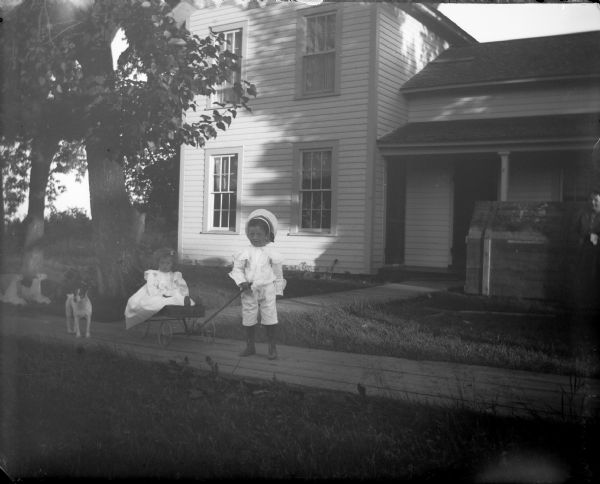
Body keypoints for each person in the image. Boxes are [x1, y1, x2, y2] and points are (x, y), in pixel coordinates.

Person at [229, 209, 286, 359]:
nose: (254, 237)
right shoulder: (244, 252)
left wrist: (278, 291)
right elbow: (237, 270)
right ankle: (250, 346)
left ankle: (272, 348)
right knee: (248, 315)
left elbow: (278, 275)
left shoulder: (272, 254)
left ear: (267, 235)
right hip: (249, 290)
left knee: (269, 316)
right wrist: (242, 282)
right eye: (251, 234)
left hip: (267, 289)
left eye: (259, 234)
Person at [124, 247, 194, 329]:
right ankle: (166, 302)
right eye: (162, 263)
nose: (165, 266)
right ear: (158, 263)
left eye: (168, 263)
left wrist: (183, 293)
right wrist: (157, 293)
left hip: (170, 293)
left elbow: (181, 286)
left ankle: (183, 302)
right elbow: (151, 287)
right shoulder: (154, 274)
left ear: (172, 264)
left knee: (178, 296)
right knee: (152, 301)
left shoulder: (174, 275)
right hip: (156, 293)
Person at [574, 189, 600, 310]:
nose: (593, 202)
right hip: (584, 251)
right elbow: (575, 231)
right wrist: (582, 237)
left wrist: (596, 237)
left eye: (596, 200)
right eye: (591, 199)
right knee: (584, 276)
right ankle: (584, 304)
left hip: (598, 253)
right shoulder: (582, 214)